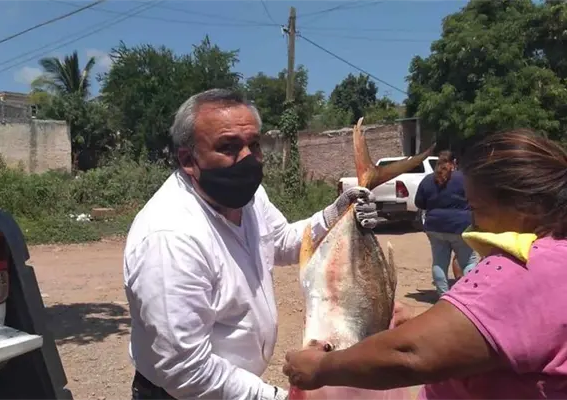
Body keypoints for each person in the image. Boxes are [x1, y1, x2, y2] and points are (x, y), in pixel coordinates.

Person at [123, 88, 379, 400]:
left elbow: (281, 241)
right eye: (228, 147)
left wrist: (336, 215)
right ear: (188, 159)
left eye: (253, 145)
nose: (247, 158)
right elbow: (185, 369)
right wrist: (276, 398)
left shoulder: (250, 198)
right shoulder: (171, 238)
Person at [282, 128, 567, 399]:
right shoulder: (556, 256)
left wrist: (321, 367)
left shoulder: (522, 268)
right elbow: (506, 331)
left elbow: (409, 355)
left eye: (477, 208)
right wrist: (422, 320)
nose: (474, 221)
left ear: (527, 208)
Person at [414, 150, 478, 296]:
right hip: (460, 226)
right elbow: (476, 199)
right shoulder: (464, 178)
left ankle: (443, 296)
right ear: (454, 162)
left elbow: (419, 203)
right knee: (468, 262)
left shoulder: (427, 180)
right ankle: (471, 295)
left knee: (439, 263)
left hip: (434, 227)